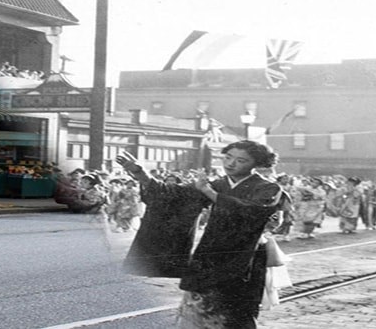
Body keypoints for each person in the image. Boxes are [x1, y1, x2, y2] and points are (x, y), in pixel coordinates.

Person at [116, 140, 283, 328]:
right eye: (228, 157)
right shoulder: (219, 184)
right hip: (209, 253)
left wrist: (208, 191)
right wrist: (141, 173)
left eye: (240, 160)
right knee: (196, 310)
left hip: (245, 257)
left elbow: (250, 212)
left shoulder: (268, 188)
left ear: (257, 164)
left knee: (235, 312)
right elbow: (172, 196)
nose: (230, 164)